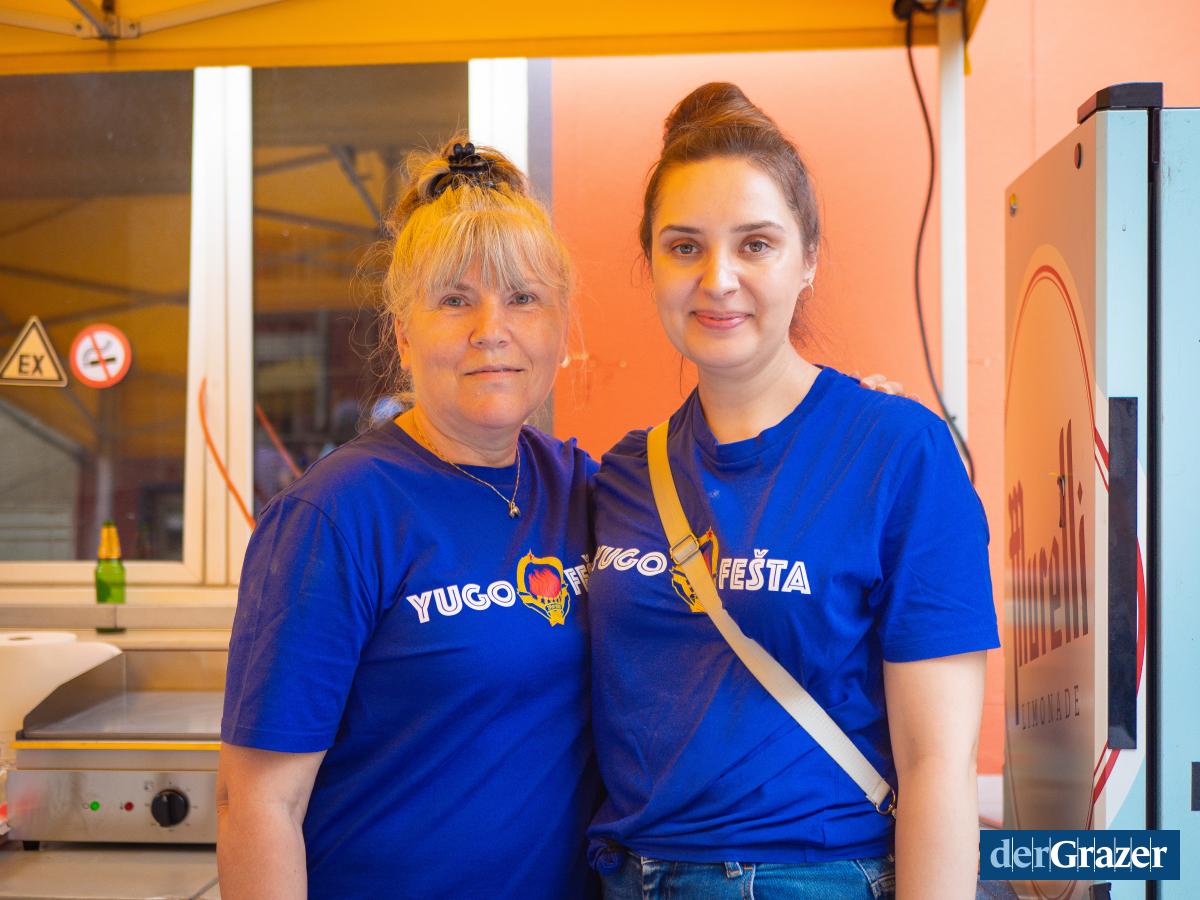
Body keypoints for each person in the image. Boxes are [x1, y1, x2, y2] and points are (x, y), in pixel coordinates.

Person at [587, 83, 1000, 899]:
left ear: (808, 259)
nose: (718, 279)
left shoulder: (898, 453)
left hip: (811, 876)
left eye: (756, 244)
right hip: (626, 878)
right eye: (684, 246)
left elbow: (938, 765)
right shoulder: (623, 475)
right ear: (651, 265)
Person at [216, 138, 600, 899]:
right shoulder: (335, 516)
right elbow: (257, 802)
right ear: (402, 332)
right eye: (455, 300)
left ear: (560, 328)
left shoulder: (585, 490)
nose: (491, 328)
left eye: (523, 298)